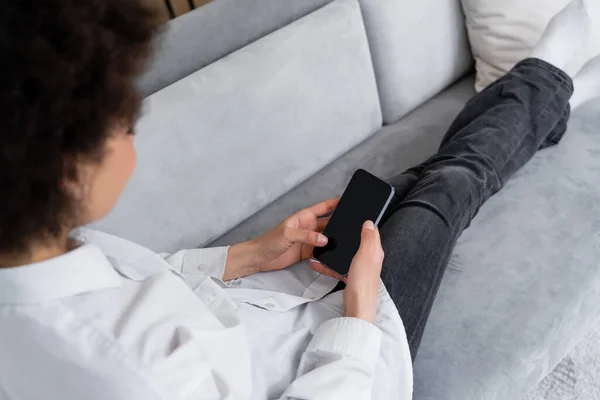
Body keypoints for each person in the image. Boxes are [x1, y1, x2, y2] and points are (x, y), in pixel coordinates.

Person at [0, 0, 598, 399]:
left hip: (265, 302)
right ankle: (549, 73)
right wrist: (359, 312)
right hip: (344, 360)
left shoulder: (35, 257)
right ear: (67, 172)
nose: (134, 130)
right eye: (122, 124)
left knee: (416, 179)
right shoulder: (135, 376)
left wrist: (247, 256)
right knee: (455, 182)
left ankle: (547, 103)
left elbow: (140, 283)